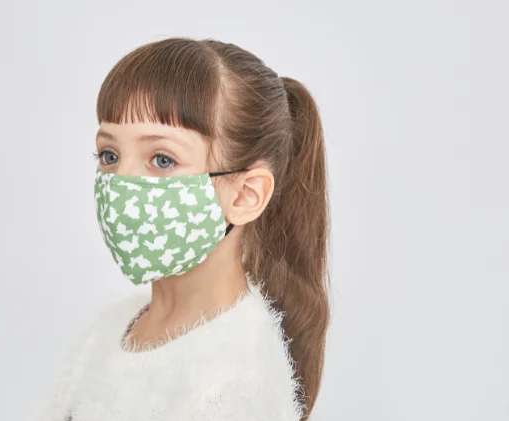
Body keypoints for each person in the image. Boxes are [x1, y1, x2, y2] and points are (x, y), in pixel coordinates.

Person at [39, 37, 331, 421]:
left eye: (162, 159)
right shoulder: (113, 329)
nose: (121, 182)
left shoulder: (236, 383)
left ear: (246, 195)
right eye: (109, 155)